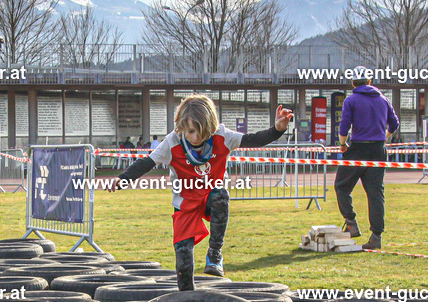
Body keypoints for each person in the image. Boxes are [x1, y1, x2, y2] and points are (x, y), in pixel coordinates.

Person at [105, 94, 293, 290]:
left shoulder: (222, 135)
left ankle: (215, 253)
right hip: (185, 205)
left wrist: (277, 130)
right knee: (184, 265)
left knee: (221, 195)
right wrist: (123, 179)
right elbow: (146, 163)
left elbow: (252, 140)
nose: (195, 138)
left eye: (201, 132)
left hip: (210, 198)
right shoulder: (172, 142)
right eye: (191, 132)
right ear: (181, 127)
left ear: (211, 126)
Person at [335, 75, 400, 251]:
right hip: (378, 150)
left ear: (353, 83)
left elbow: (344, 127)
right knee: (375, 193)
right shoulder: (383, 99)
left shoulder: (351, 100)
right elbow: (394, 124)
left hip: (357, 149)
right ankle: (376, 236)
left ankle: (351, 222)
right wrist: (383, 138)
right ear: (369, 82)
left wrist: (342, 144)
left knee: (342, 186)